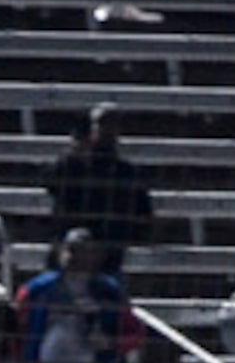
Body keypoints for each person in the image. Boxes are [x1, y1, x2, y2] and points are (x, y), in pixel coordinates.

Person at [14, 229, 139, 363]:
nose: (76, 258)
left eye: (84, 251)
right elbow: (17, 330)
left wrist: (109, 342)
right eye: (71, 250)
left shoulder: (109, 292)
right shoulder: (37, 290)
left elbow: (133, 334)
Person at [38, 105, 157, 275]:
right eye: (101, 124)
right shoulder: (72, 165)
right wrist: (75, 151)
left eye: (112, 124)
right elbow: (49, 181)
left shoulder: (127, 173)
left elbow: (143, 213)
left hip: (107, 251)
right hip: (69, 244)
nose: (107, 130)